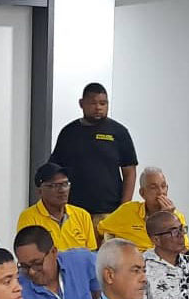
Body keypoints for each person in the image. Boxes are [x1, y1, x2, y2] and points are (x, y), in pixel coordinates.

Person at [50, 82, 138, 226]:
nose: (98, 108)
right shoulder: (69, 132)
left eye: (103, 103)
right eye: (93, 103)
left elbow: (129, 172)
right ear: (81, 103)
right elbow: (55, 170)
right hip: (73, 211)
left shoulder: (119, 132)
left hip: (109, 212)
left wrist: (123, 209)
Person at [98, 166, 189, 267]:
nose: (160, 192)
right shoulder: (128, 210)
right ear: (142, 193)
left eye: (163, 186)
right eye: (153, 187)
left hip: (167, 261)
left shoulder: (175, 216)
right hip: (139, 262)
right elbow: (100, 229)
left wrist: (167, 218)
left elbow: (183, 249)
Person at [17, 163, 97, 251]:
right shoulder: (29, 217)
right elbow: (28, 254)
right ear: (40, 191)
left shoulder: (82, 215)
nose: (62, 190)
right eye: (54, 185)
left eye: (65, 184)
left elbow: (92, 254)